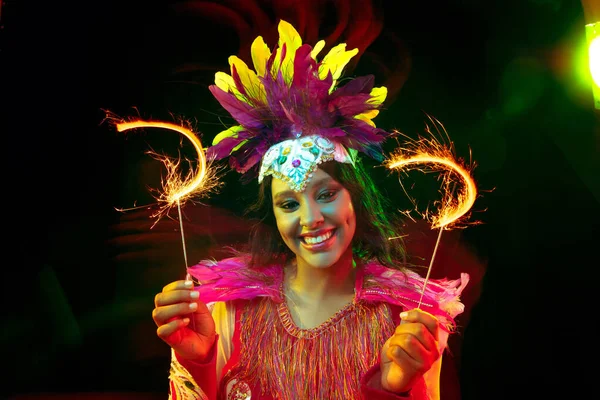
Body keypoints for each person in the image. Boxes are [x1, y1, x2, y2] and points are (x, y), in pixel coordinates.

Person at [151, 19, 469, 400]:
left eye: (326, 194)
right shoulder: (226, 310)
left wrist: (395, 388)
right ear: (273, 215)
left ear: (356, 197)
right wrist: (197, 361)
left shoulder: (406, 319)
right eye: (288, 203)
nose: (310, 219)